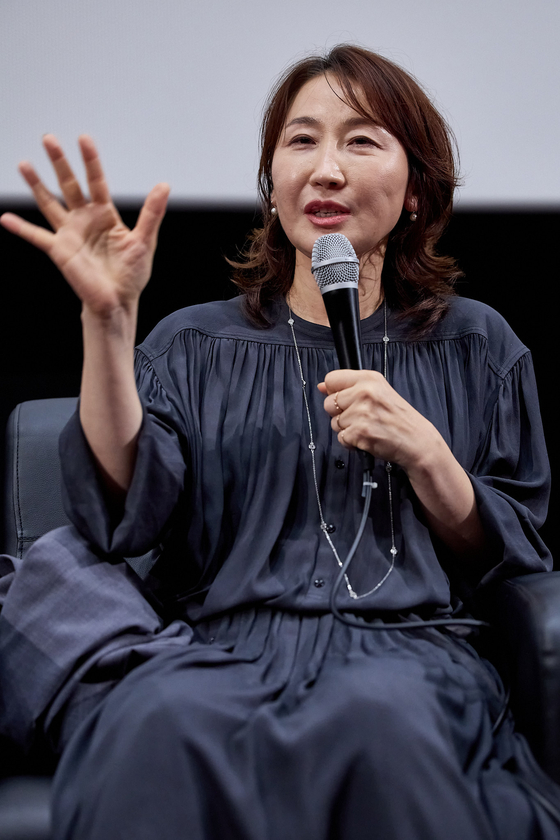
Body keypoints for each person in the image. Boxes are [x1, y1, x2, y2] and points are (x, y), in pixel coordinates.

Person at [0, 44, 557, 840]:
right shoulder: (193, 342)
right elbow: (125, 506)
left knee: (380, 722)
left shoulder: (476, 346)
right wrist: (108, 326)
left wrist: (428, 456)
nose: (325, 169)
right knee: (159, 720)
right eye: (300, 141)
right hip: (214, 651)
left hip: (410, 649)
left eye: (361, 140)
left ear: (415, 191)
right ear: (272, 184)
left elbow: (512, 556)